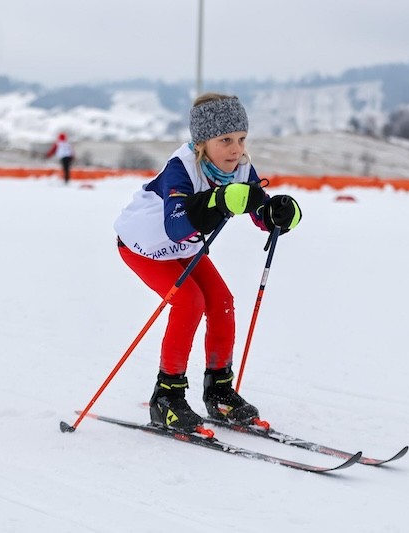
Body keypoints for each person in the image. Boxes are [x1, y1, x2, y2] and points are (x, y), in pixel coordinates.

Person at [113, 93, 302, 432]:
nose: (236, 149)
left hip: (183, 249)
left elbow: (256, 206)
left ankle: (219, 390)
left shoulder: (240, 167)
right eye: (225, 140)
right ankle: (166, 397)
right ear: (202, 142)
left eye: (241, 139)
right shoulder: (181, 168)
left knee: (221, 302)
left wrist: (276, 214)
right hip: (144, 247)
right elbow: (176, 226)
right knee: (189, 302)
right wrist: (219, 200)